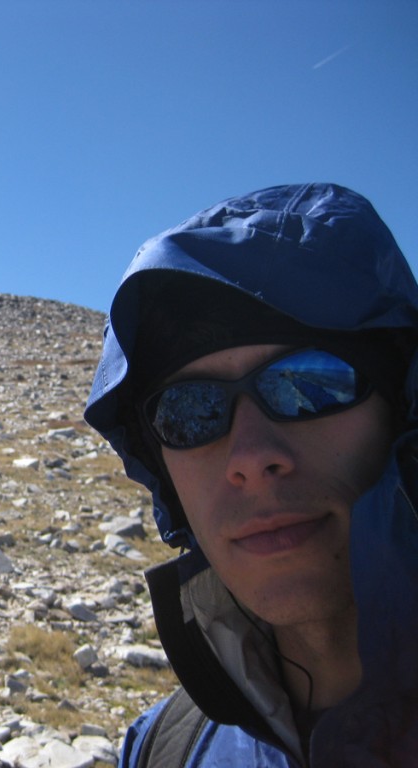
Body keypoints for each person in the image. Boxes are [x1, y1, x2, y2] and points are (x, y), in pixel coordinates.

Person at [83, 183, 418, 767]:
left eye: (313, 384)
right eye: (190, 412)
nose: (250, 456)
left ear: (402, 413)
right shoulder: (166, 748)